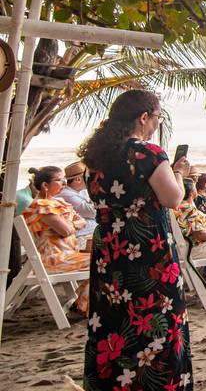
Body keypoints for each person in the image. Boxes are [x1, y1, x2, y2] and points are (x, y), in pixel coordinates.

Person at [79, 89, 192, 391]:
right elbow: (172, 198)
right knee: (158, 320)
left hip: (109, 249)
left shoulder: (95, 157)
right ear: (144, 117)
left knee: (114, 322)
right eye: (157, 118)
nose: (156, 124)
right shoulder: (148, 153)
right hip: (146, 252)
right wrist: (179, 173)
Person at [22, 166, 90, 312]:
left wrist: (70, 224)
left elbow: (82, 221)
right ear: (45, 185)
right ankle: (84, 305)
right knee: (103, 263)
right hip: (53, 258)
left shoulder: (57, 203)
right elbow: (65, 230)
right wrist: (72, 224)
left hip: (67, 255)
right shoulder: (41, 206)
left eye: (64, 179)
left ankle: (83, 303)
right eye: (59, 180)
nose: (64, 183)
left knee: (104, 261)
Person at [56, 161, 97, 238]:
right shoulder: (67, 195)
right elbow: (94, 213)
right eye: (88, 177)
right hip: (69, 231)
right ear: (78, 179)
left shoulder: (79, 191)